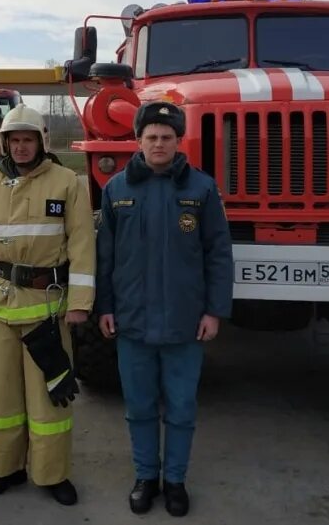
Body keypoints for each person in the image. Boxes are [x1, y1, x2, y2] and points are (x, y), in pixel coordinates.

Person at [96, 101, 233, 517]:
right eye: (151, 137)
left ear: (178, 141)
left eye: (167, 137)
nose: (159, 144)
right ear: (138, 141)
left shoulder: (202, 189)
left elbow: (218, 254)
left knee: (180, 408)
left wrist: (214, 311)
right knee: (138, 407)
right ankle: (145, 478)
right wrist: (105, 306)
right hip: (133, 323)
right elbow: (105, 257)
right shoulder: (116, 190)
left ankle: (175, 480)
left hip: (184, 324)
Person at [0, 104, 95, 506]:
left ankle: (52, 474)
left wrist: (80, 302)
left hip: (47, 312)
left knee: (49, 398)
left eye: (27, 139)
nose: (20, 147)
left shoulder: (67, 183)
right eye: (14, 140)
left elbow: (83, 248)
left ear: (41, 141)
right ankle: (4, 469)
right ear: (4, 143)